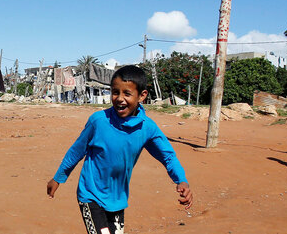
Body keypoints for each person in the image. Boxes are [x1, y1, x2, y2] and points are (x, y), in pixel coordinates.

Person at [46, 65, 193, 234]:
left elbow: (168, 156)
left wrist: (181, 180)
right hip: (90, 194)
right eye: (115, 92)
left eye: (127, 93)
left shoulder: (147, 128)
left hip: (117, 199)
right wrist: (58, 178)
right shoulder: (98, 121)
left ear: (142, 96)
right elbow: (76, 151)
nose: (119, 99)